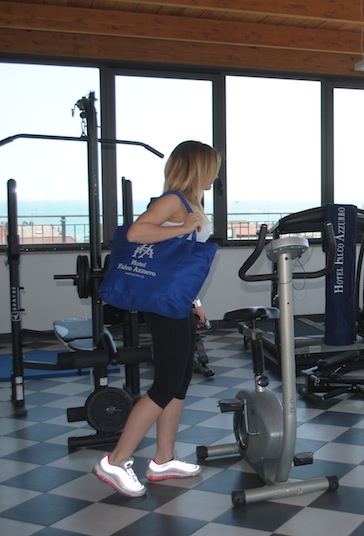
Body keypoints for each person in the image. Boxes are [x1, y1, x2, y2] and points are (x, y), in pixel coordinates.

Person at [93, 140, 221, 497]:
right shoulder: (173, 201)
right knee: (165, 385)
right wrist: (181, 228)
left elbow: (178, 263)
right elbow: (137, 233)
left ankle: (164, 460)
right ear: (198, 168)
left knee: (179, 383)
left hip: (176, 303)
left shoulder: (190, 204)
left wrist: (194, 301)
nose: (215, 176)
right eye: (212, 168)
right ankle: (115, 461)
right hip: (163, 308)